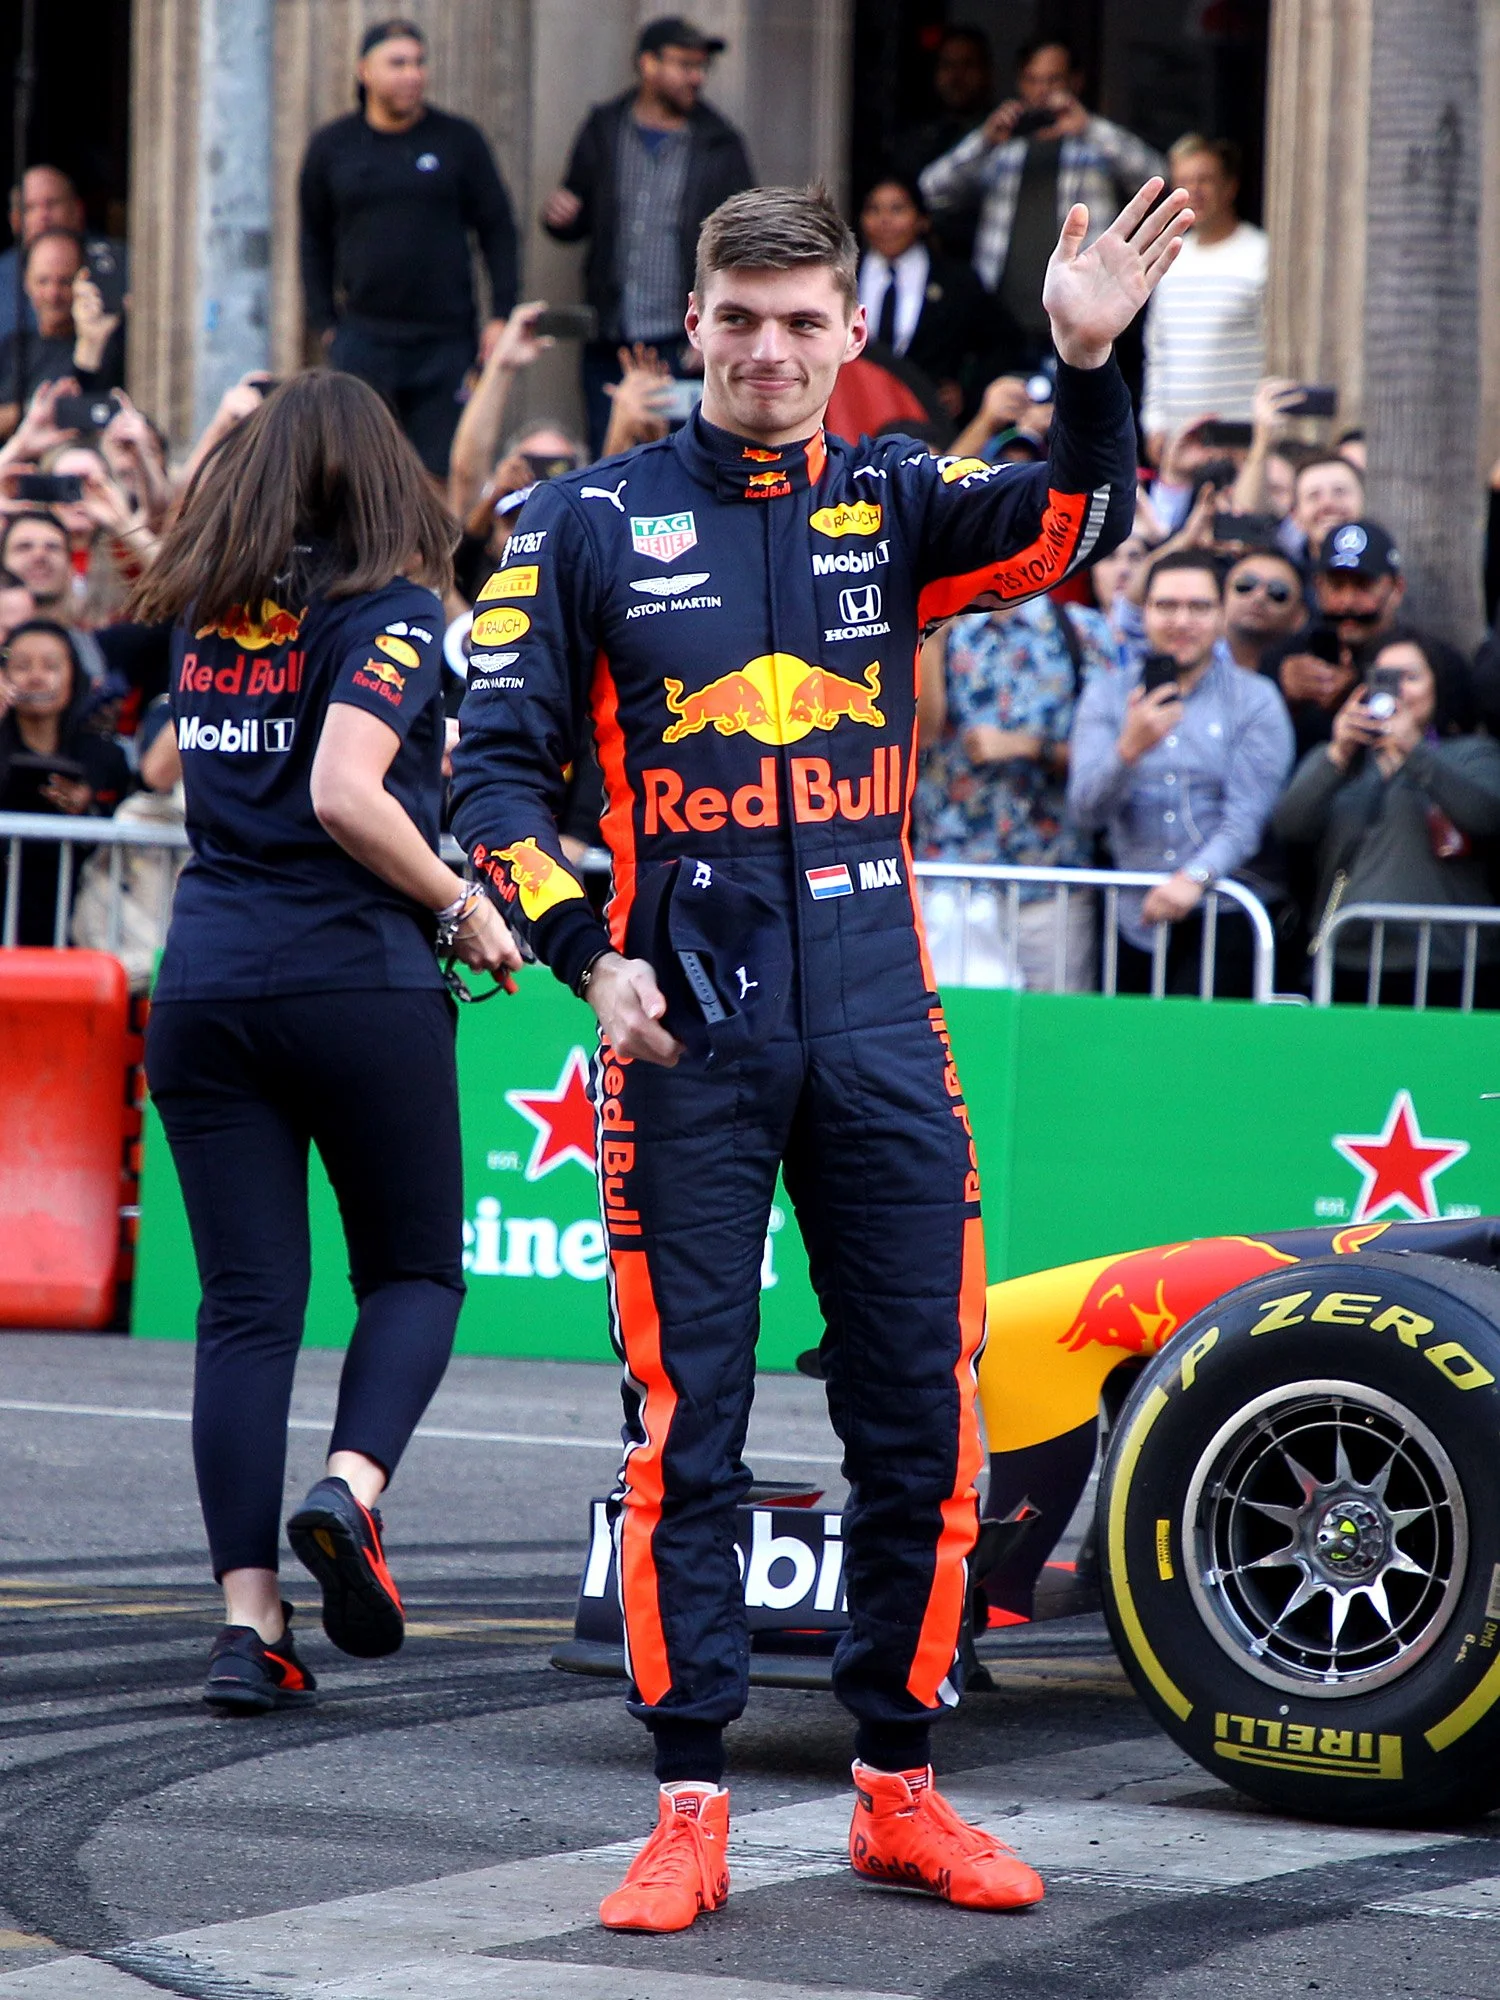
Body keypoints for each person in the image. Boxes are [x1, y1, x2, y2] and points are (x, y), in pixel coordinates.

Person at [452, 173, 1189, 1927]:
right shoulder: (579, 521)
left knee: (923, 1420)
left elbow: (1075, 528)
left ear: (850, 334)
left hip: (880, 1027)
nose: (770, 351)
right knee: (685, 1429)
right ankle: (689, 1800)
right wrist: (587, 955)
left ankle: (899, 1788)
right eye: (741, 320)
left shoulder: (897, 493)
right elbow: (489, 781)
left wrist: (1090, 364)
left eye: (803, 323)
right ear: (691, 327)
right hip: (682, 1041)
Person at [128, 371, 519, 1714]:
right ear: (380, 479)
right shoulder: (391, 613)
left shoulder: (204, 611)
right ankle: (350, 1490)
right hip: (352, 977)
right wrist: (462, 904)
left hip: (205, 986)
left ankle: (249, 1627)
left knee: (244, 1311)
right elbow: (346, 792)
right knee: (414, 1271)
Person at [298, 18, 520, 477]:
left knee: (442, 471)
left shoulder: (458, 140)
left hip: (445, 341)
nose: (413, 75)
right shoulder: (332, 146)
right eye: (397, 64)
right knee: (359, 471)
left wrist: (501, 314)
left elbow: (497, 228)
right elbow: (312, 239)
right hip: (364, 338)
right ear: (364, 71)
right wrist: (326, 323)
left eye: (419, 63)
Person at [1068, 548, 1293, 994]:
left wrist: (1194, 879)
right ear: (1144, 613)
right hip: (1134, 918)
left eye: (1198, 607)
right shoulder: (1107, 695)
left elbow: (1247, 818)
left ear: (1221, 615)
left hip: (1228, 911)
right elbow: (1085, 812)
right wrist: (1128, 751)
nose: (1181, 621)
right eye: (1166, 606)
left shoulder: (1255, 699)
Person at [541, 16, 754, 454]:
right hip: (610, 337)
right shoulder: (604, 128)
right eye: (684, 65)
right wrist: (559, 217)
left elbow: (743, 244)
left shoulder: (720, 142)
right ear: (648, 64)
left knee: (680, 455)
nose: (696, 77)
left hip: (681, 341)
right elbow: (578, 212)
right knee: (606, 453)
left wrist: (716, 329)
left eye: (701, 67)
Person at [1274, 632, 1500, 1005]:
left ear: (1439, 686)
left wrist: (1414, 751)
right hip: (1348, 957)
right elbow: (1289, 825)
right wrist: (1338, 753)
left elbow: (1486, 816)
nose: (1397, 692)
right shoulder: (1342, 760)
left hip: (1449, 961)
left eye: (1410, 678)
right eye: (1384, 678)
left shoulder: (1473, 754)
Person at [919, 38, 1164, 373]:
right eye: (1033, 80)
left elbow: (1157, 176)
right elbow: (931, 190)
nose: (1043, 91)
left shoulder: (1095, 144)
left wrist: (1089, 128)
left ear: (1076, 82)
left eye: (1053, 80)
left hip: (1083, 318)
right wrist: (985, 139)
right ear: (1020, 83)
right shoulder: (1002, 148)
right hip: (1005, 325)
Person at [915, 591, 1114, 989]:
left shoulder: (1082, 630)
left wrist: (1027, 747)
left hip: (1051, 879)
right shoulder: (947, 631)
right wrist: (931, 637)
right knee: (955, 1020)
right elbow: (920, 735)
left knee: (1054, 1022)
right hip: (954, 877)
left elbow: (1113, 757)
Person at [0, 619, 129, 944]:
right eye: (21, 666)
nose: (36, 677)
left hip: (77, 920)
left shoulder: (103, 755)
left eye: (51, 666)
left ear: (74, 675)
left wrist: (87, 807)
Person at [1140, 137, 1267, 456]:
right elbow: (1158, 349)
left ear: (1230, 187)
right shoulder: (1169, 255)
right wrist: (1155, 423)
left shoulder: (1261, 254)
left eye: (1204, 180)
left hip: (1241, 440)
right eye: (1184, 182)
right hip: (1178, 444)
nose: (1194, 191)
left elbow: (1277, 350)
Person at [1265, 518, 1406, 757]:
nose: (1347, 602)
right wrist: (1283, 698)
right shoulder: (1285, 657)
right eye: (1336, 586)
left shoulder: (1424, 659)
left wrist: (1355, 689)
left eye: (1363, 586)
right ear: (1318, 587)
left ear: (1396, 589)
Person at [857, 177, 991, 421]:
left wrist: (967, 391)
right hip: (856, 411)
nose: (884, 220)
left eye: (897, 209)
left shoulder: (956, 280)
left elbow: (998, 344)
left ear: (922, 219)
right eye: (873, 209)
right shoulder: (843, 275)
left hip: (930, 419)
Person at [889, 25, 996, 263]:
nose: (956, 77)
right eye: (948, 65)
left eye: (967, 65)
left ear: (987, 72)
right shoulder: (917, 137)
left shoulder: (1002, 134)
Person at [0, 230, 123, 431]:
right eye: (43, 281)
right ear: (26, 282)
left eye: (65, 281)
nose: (53, 294)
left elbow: (86, 412)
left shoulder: (104, 351)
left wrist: (90, 342)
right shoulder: (12, 347)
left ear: (84, 282)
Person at [0, 164, 129, 346]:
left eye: (52, 204)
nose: (43, 215)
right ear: (14, 221)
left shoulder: (118, 262)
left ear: (78, 210)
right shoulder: (3, 273)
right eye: (30, 207)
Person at [1222, 546, 1306, 674]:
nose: (1259, 597)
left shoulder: (1302, 675)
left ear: (1299, 616)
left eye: (1278, 592)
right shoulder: (1192, 660)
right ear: (1220, 597)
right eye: (1245, 585)